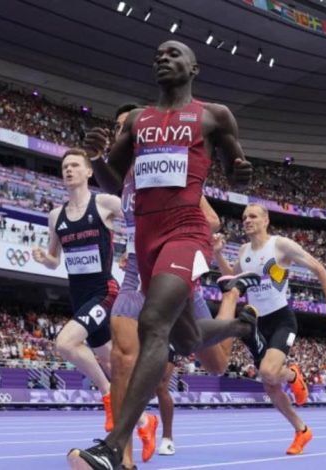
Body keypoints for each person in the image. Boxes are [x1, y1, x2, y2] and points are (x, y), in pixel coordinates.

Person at [68, 40, 255, 470]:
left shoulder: (213, 115)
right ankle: (243, 327)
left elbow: (235, 164)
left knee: (152, 324)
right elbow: (115, 182)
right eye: (157, 56)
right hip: (146, 243)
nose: (163, 59)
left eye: (173, 54)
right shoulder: (137, 120)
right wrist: (97, 157)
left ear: (194, 67)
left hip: (185, 232)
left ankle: (113, 448)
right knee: (185, 338)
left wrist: (241, 168)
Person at [107, 103, 260, 470]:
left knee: (217, 364)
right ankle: (121, 457)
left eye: (125, 127)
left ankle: (233, 302)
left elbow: (211, 220)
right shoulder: (120, 177)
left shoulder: (161, 167)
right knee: (123, 356)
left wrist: (171, 238)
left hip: (172, 269)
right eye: (117, 128)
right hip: (135, 276)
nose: (120, 133)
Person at [213, 203, 326, 455]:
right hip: (257, 324)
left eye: (252, 216)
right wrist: (217, 253)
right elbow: (233, 280)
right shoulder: (243, 251)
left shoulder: (280, 246)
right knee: (269, 383)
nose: (247, 220)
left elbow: (319, 269)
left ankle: (293, 375)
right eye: (244, 217)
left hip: (282, 319)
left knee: (268, 371)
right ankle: (301, 430)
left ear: (266, 220)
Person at [33, 148, 121, 432]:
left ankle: (107, 395)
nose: (68, 170)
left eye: (74, 165)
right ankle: (143, 420)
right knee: (112, 359)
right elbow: (55, 260)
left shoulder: (105, 203)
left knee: (65, 343)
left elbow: (138, 218)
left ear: (88, 172)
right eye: (64, 167)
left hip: (104, 290)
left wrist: (131, 250)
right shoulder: (55, 215)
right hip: (78, 295)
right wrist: (43, 259)